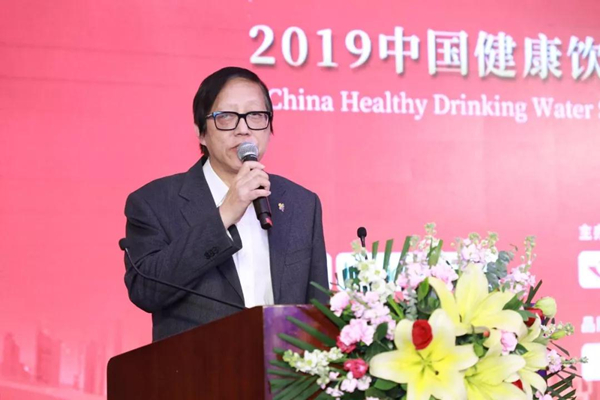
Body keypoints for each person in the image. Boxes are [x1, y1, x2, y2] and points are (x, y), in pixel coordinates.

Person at [122, 66, 328, 342]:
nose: (243, 129)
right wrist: (225, 215)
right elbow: (146, 290)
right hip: (198, 365)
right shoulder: (154, 202)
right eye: (227, 117)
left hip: (283, 366)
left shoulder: (301, 203)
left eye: (256, 115)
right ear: (201, 132)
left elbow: (318, 309)